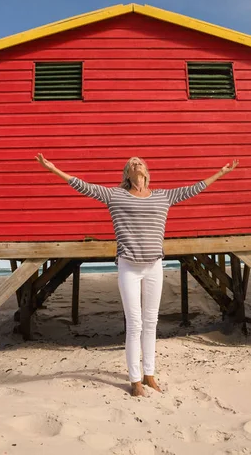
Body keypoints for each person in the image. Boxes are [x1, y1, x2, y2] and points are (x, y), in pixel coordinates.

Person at [36, 153, 239, 397]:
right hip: (128, 266)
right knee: (135, 324)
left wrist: (220, 173)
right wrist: (55, 169)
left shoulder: (163, 196)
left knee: (151, 322)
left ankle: (150, 375)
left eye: (139, 161)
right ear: (127, 174)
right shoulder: (115, 195)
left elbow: (192, 189)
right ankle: (135, 381)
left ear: (146, 171)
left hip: (154, 265)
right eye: (131, 163)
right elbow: (84, 187)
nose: (136, 163)